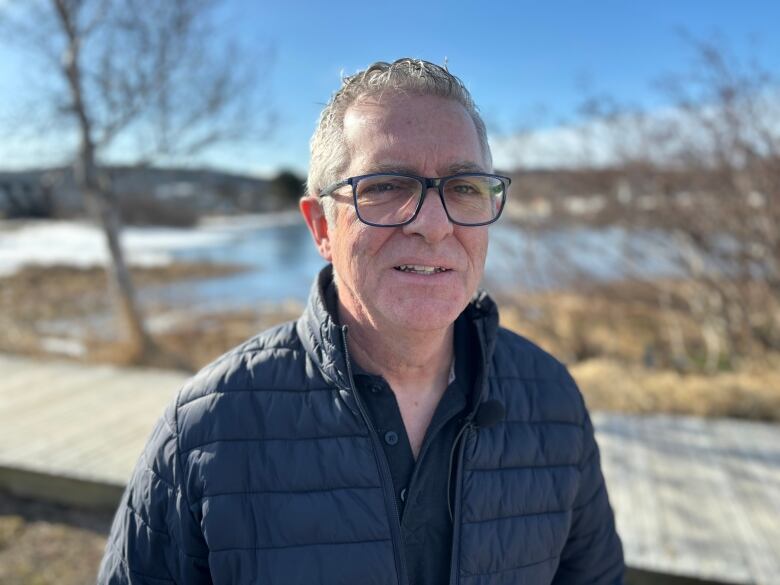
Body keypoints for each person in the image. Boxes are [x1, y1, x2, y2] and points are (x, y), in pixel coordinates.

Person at [98, 58, 624, 585]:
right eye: (388, 185)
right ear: (322, 226)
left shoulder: (552, 400)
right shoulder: (207, 428)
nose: (434, 224)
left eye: (464, 187)